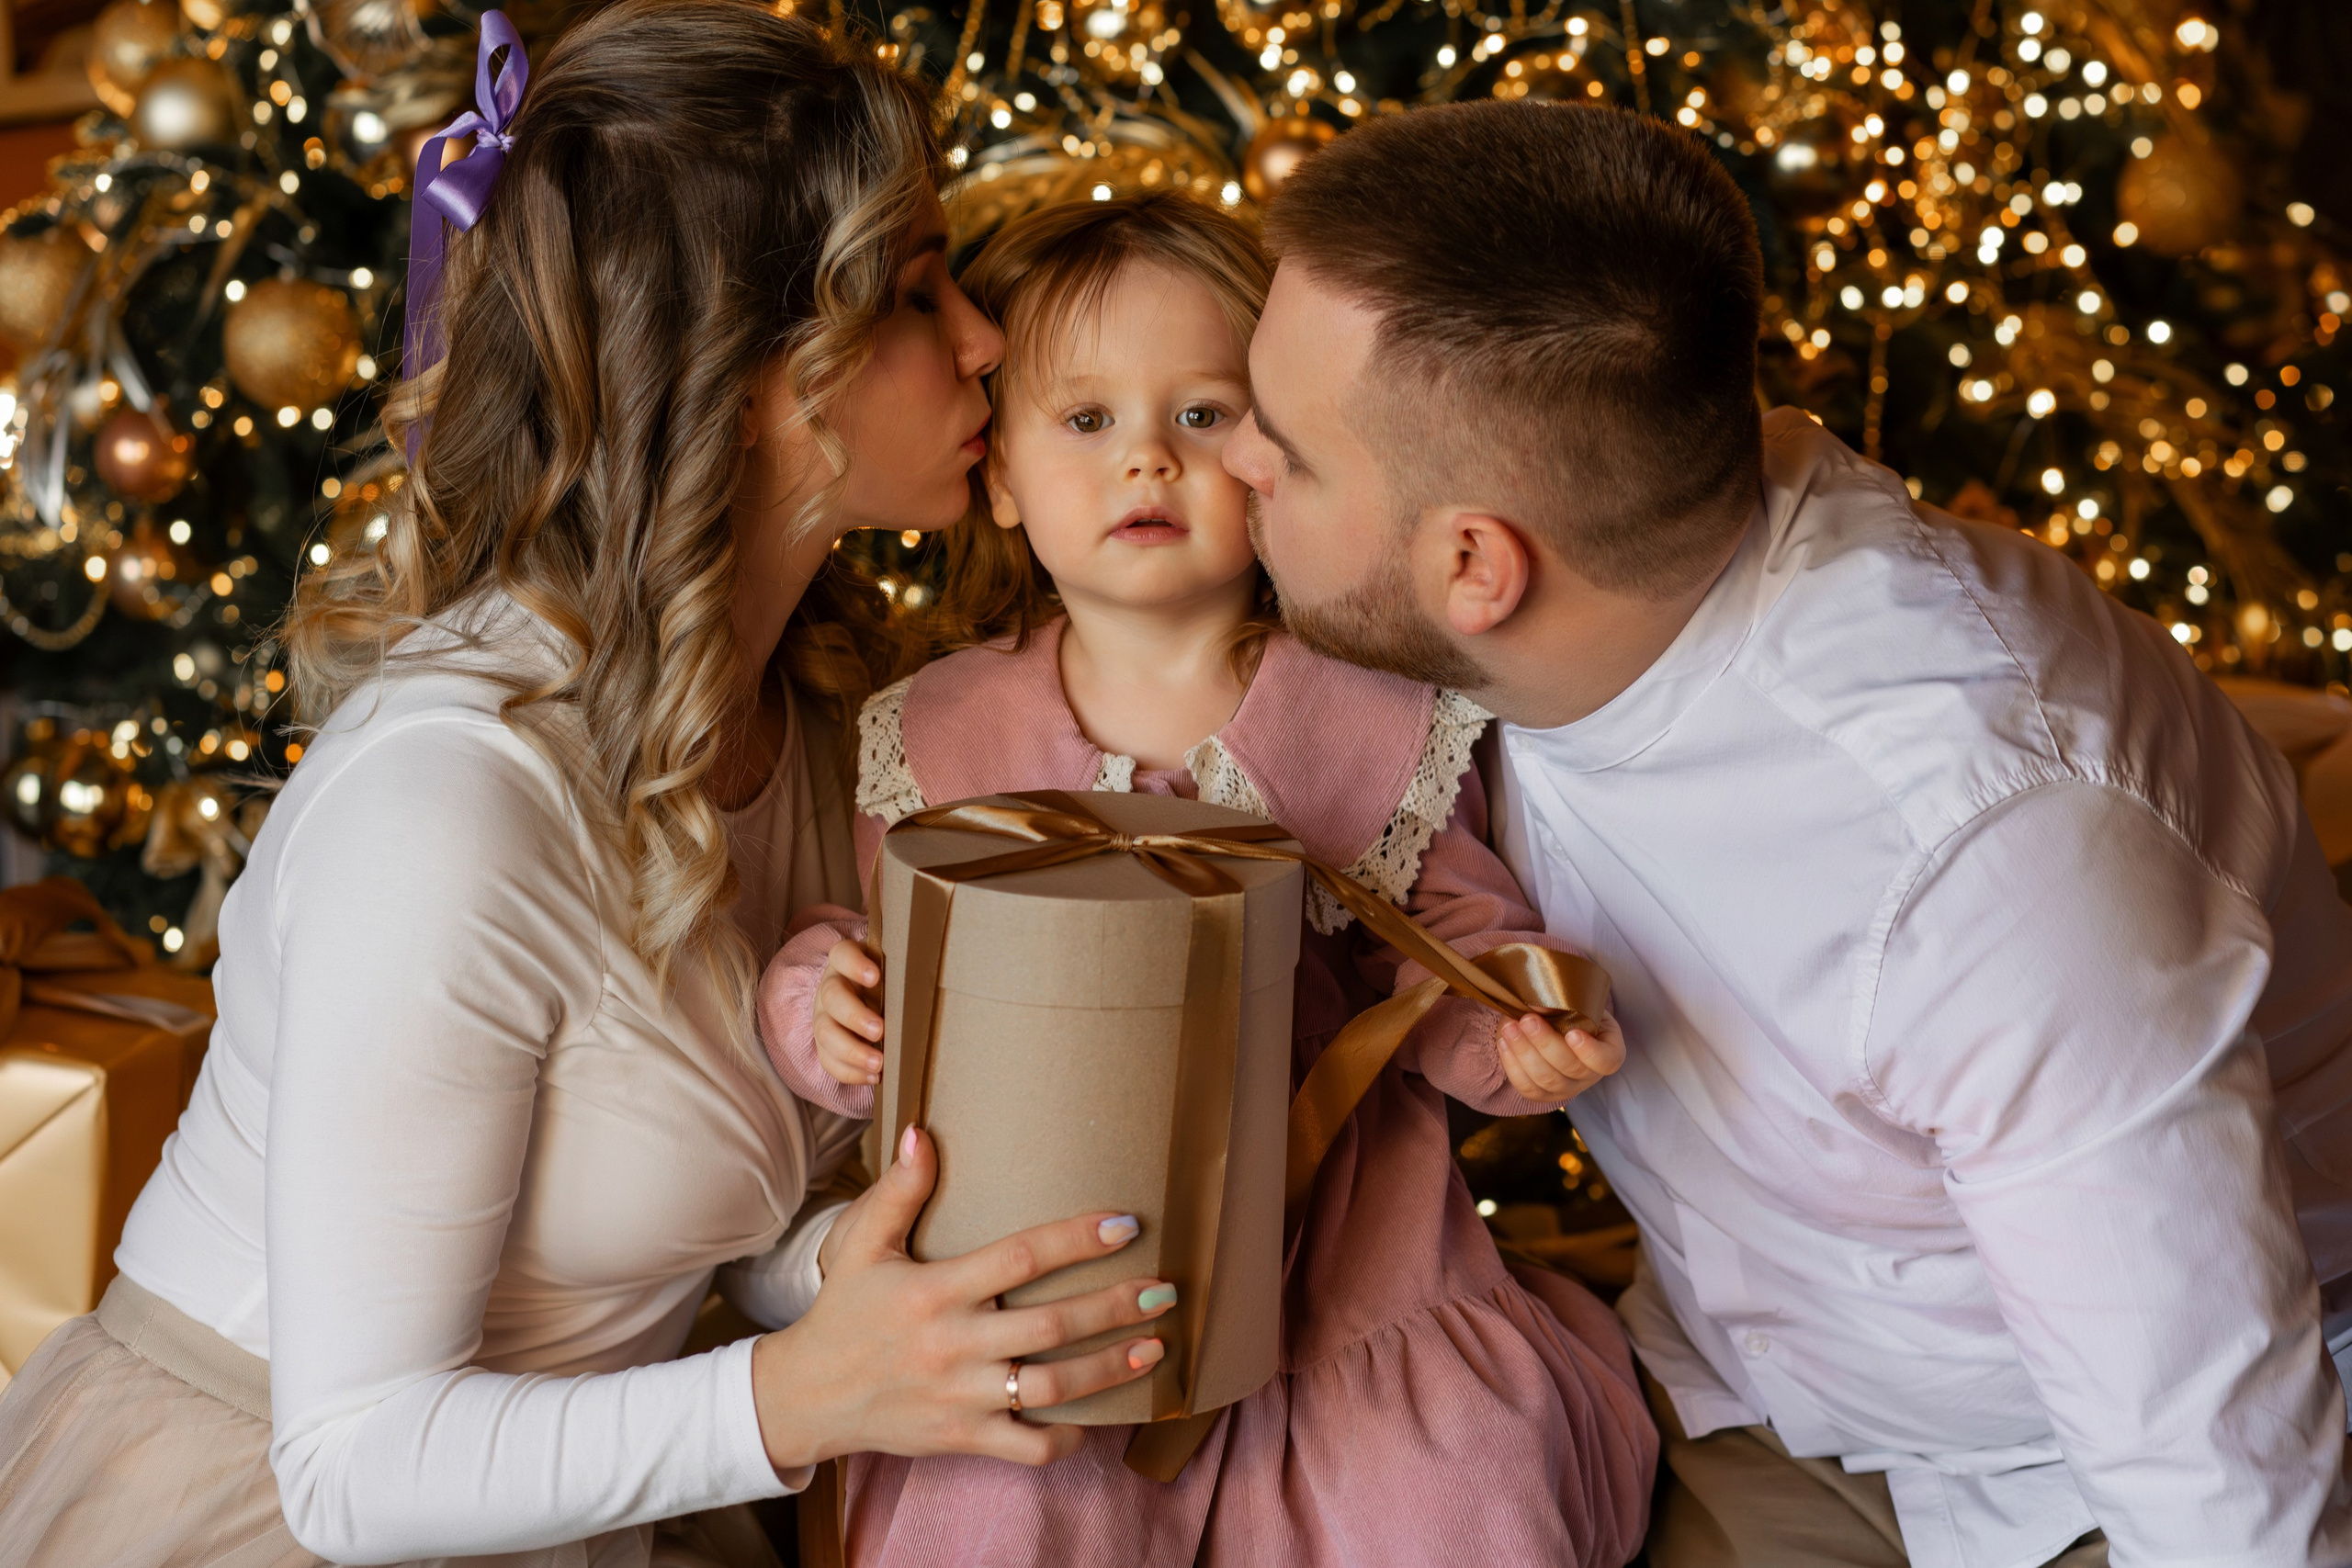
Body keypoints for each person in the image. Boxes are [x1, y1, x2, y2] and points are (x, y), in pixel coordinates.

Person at [0, 6, 1173, 1565]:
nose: (983, 342)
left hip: (579, 1503)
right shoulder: (451, 806)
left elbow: (712, 1216)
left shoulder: (818, 716)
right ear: (750, 377)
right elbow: (350, 1468)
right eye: (913, 294)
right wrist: (804, 1392)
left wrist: (860, 1277)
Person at [1226, 99, 2352, 1568]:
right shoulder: (1603, 564)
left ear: (1475, 565)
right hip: (1754, 1401)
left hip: (2075, 1475)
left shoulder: (1990, 859)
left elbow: (2217, 1483)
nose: (1233, 463)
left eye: (1287, 452)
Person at [757, 190, 1657, 1566]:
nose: (1147, 461)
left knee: (1456, 1491)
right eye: (1086, 420)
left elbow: (1454, 948)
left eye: (1200, 415)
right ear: (1000, 476)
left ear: (1274, 458)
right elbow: (876, 954)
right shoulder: (939, 732)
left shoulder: (1370, 714)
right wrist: (823, 1001)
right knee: (996, 1518)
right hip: (1065, 1288)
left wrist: (1512, 1035)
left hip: (1348, 1283)